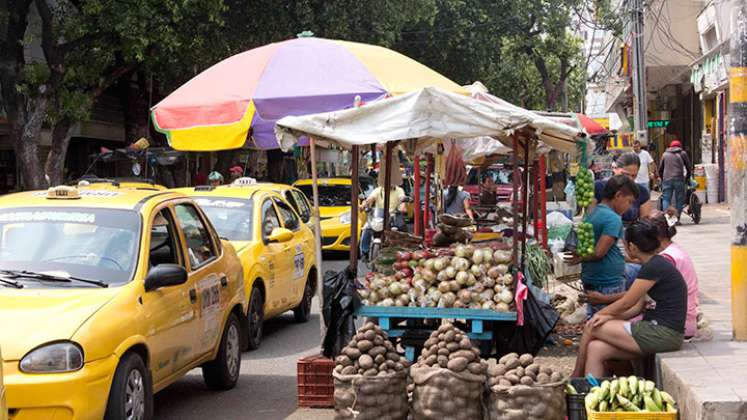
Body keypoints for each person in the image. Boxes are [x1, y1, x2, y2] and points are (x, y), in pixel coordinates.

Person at [571, 221, 687, 377]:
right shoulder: (654, 264)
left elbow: (627, 302)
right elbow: (637, 308)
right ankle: (592, 395)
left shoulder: (653, 267)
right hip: (658, 331)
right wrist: (610, 317)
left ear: (632, 247)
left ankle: (575, 378)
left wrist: (601, 315)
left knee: (592, 326)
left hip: (663, 333)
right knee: (596, 349)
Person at [586, 209, 700, 338]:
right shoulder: (670, 252)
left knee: (598, 330)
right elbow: (638, 302)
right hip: (673, 320)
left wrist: (602, 305)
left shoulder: (663, 260)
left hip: (672, 324)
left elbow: (631, 300)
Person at [566, 175, 639, 317]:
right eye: (629, 201)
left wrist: (581, 256)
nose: (629, 207)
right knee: (606, 322)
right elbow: (599, 252)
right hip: (607, 283)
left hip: (596, 279)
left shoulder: (595, 212)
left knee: (597, 319)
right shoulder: (613, 218)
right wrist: (580, 257)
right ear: (618, 195)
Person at [593, 152, 653, 224]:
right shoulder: (599, 187)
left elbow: (645, 223)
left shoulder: (642, 192)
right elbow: (591, 217)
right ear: (615, 168)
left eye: (634, 176)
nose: (630, 179)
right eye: (625, 174)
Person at [359, 184, 407, 259]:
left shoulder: (399, 190)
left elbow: (402, 199)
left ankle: (402, 254)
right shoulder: (377, 190)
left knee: (400, 231)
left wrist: (402, 206)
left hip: (393, 216)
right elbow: (370, 199)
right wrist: (364, 205)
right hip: (379, 216)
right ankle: (364, 252)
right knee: (366, 228)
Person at [659, 139, 691, 220]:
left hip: (667, 179)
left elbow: (660, 169)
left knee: (666, 198)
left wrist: (662, 179)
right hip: (679, 179)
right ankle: (677, 218)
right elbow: (688, 168)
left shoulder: (665, 154)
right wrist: (687, 178)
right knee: (679, 199)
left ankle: (667, 218)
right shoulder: (683, 153)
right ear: (679, 146)